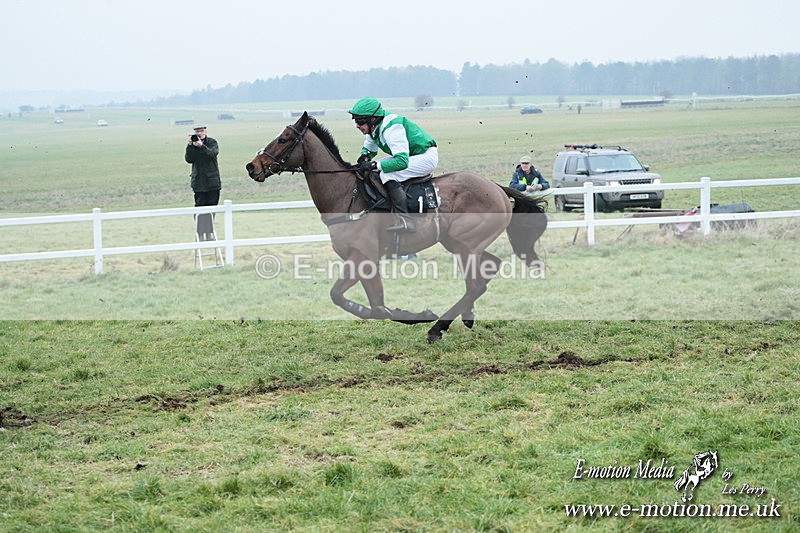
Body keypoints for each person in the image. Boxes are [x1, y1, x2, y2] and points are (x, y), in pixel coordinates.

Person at [349, 97, 438, 233]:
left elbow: (402, 161)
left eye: (360, 121)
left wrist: (373, 165)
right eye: (355, 121)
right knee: (375, 171)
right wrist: (364, 157)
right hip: (412, 156)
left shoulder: (392, 128)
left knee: (386, 173)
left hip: (424, 157)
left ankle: (406, 220)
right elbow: (369, 149)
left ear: (372, 119)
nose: (357, 125)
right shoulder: (375, 127)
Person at [184, 125, 221, 239]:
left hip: (212, 182)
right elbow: (189, 159)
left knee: (211, 209)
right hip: (199, 183)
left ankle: (209, 233)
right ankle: (200, 233)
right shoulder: (192, 145)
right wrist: (191, 145)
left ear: (205, 131)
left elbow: (212, 154)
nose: (199, 133)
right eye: (197, 131)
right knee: (200, 209)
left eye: (201, 131)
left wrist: (202, 146)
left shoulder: (212, 142)